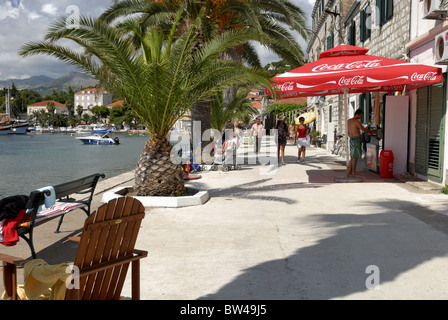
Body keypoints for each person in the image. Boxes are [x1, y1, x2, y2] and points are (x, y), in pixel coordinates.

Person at [348, 109, 377, 177]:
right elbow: (363, 129)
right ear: (358, 114)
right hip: (356, 140)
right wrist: (372, 132)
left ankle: (350, 171)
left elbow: (348, 132)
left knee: (352, 155)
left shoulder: (348, 121)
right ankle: (353, 171)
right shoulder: (356, 121)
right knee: (355, 156)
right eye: (361, 116)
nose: (361, 117)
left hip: (352, 139)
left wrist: (352, 136)